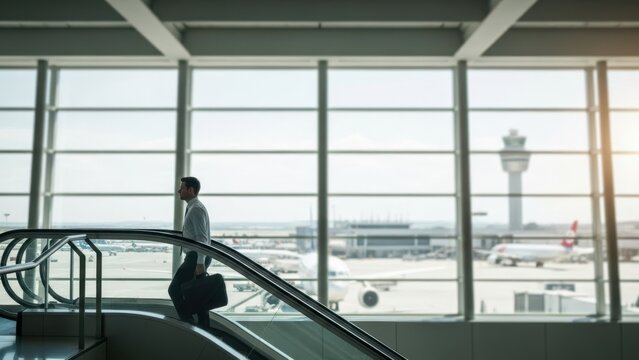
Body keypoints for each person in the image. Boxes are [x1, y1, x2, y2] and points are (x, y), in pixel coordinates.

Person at [168, 176, 212, 328]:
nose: (179, 190)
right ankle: (202, 327)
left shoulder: (196, 209)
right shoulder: (193, 207)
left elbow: (202, 238)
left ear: (191, 190)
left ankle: (189, 324)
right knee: (197, 293)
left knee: (174, 289)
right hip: (196, 256)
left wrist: (200, 263)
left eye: (182, 187)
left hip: (196, 257)